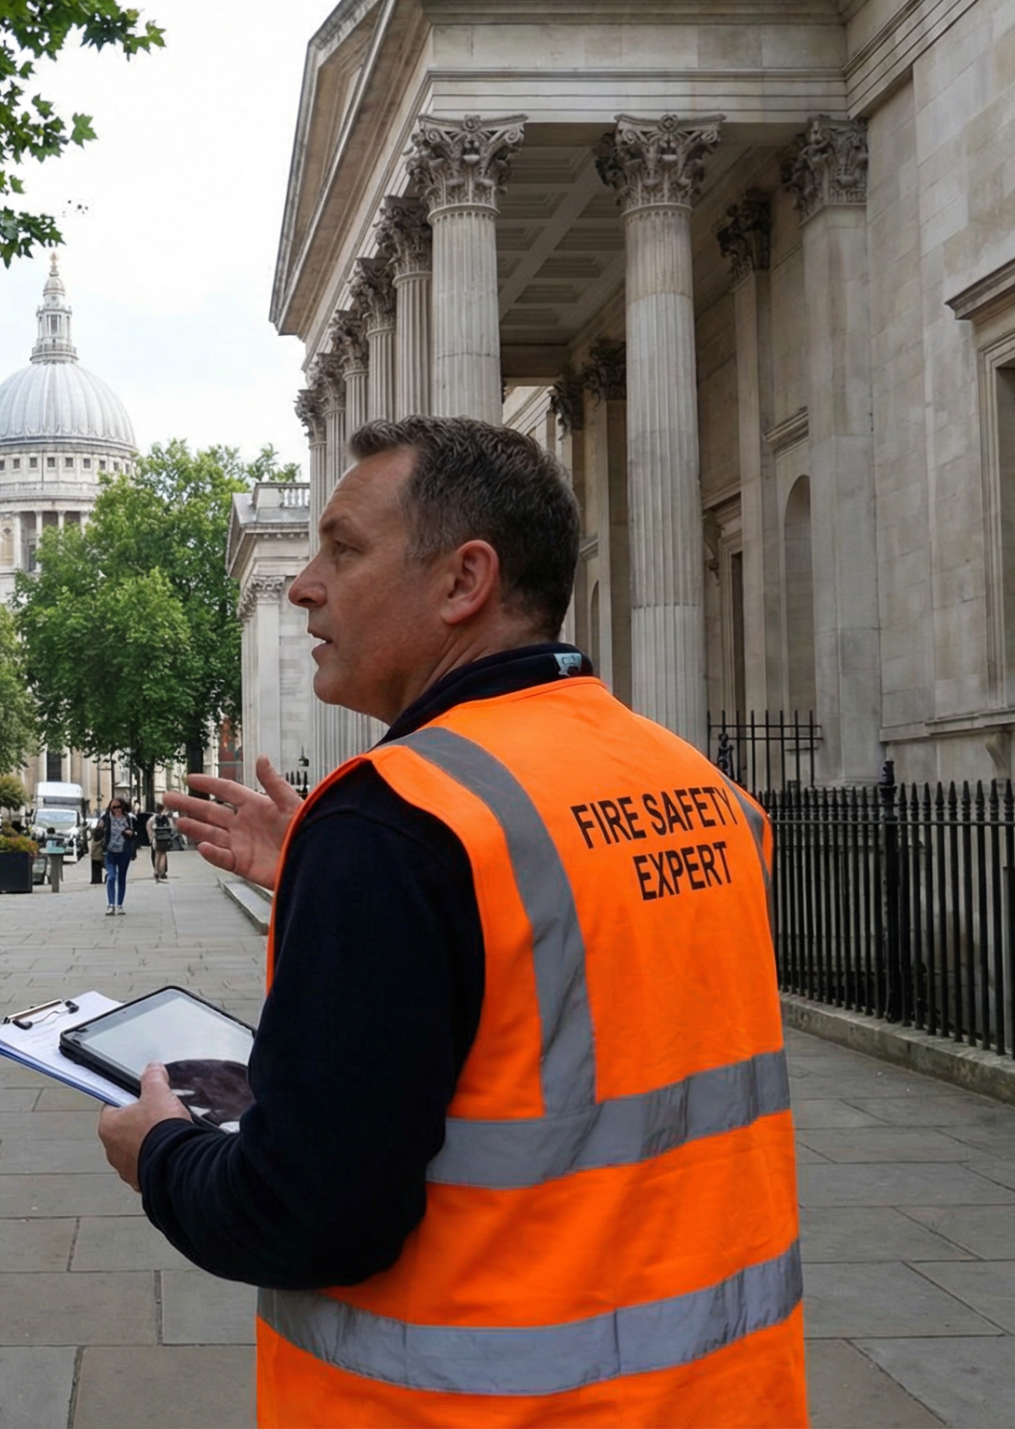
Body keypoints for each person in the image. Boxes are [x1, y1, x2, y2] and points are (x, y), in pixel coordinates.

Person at [97, 416, 804, 1426]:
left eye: (342, 549)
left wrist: (160, 1149)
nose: (303, 586)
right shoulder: (701, 790)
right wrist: (329, 868)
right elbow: (561, 1010)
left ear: (462, 582)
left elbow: (306, 1214)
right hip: (723, 1393)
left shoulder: (398, 823)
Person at [98, 796, 136, 916]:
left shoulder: (128, 819)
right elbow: (97, 834)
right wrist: (99, 827)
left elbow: (134, 834)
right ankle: (110, 905)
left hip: (124, 851)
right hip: (109, 851)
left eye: (118, 807)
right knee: (112, 876)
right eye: (113, 807)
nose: (116, 809)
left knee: (121, 878)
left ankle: (119, 905)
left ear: (123, 807)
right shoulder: (106, 818)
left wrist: (130, 833)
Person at [148, 803, 175, 882]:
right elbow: (172, 827)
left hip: (157, 838)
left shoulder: (153, 818)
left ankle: (156, 871)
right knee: (163, 854)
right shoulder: (166, 818)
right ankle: (162, 871)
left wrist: (151, 838)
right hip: (165, 838)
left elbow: (149, 827)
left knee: (157, 855)